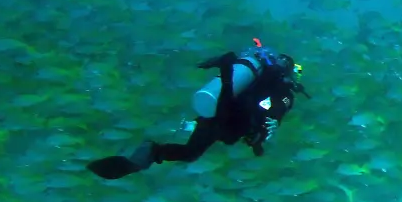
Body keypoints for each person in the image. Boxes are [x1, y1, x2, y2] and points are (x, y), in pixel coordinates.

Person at [86, 44, 308, 180]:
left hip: (213, 115)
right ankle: (226, 65)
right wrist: (267, 128)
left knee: (191, 152)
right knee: (227, 115)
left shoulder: (265, 77)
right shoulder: (283, 85)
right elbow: (278, 107)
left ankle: (150, 153)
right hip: (232, 117)